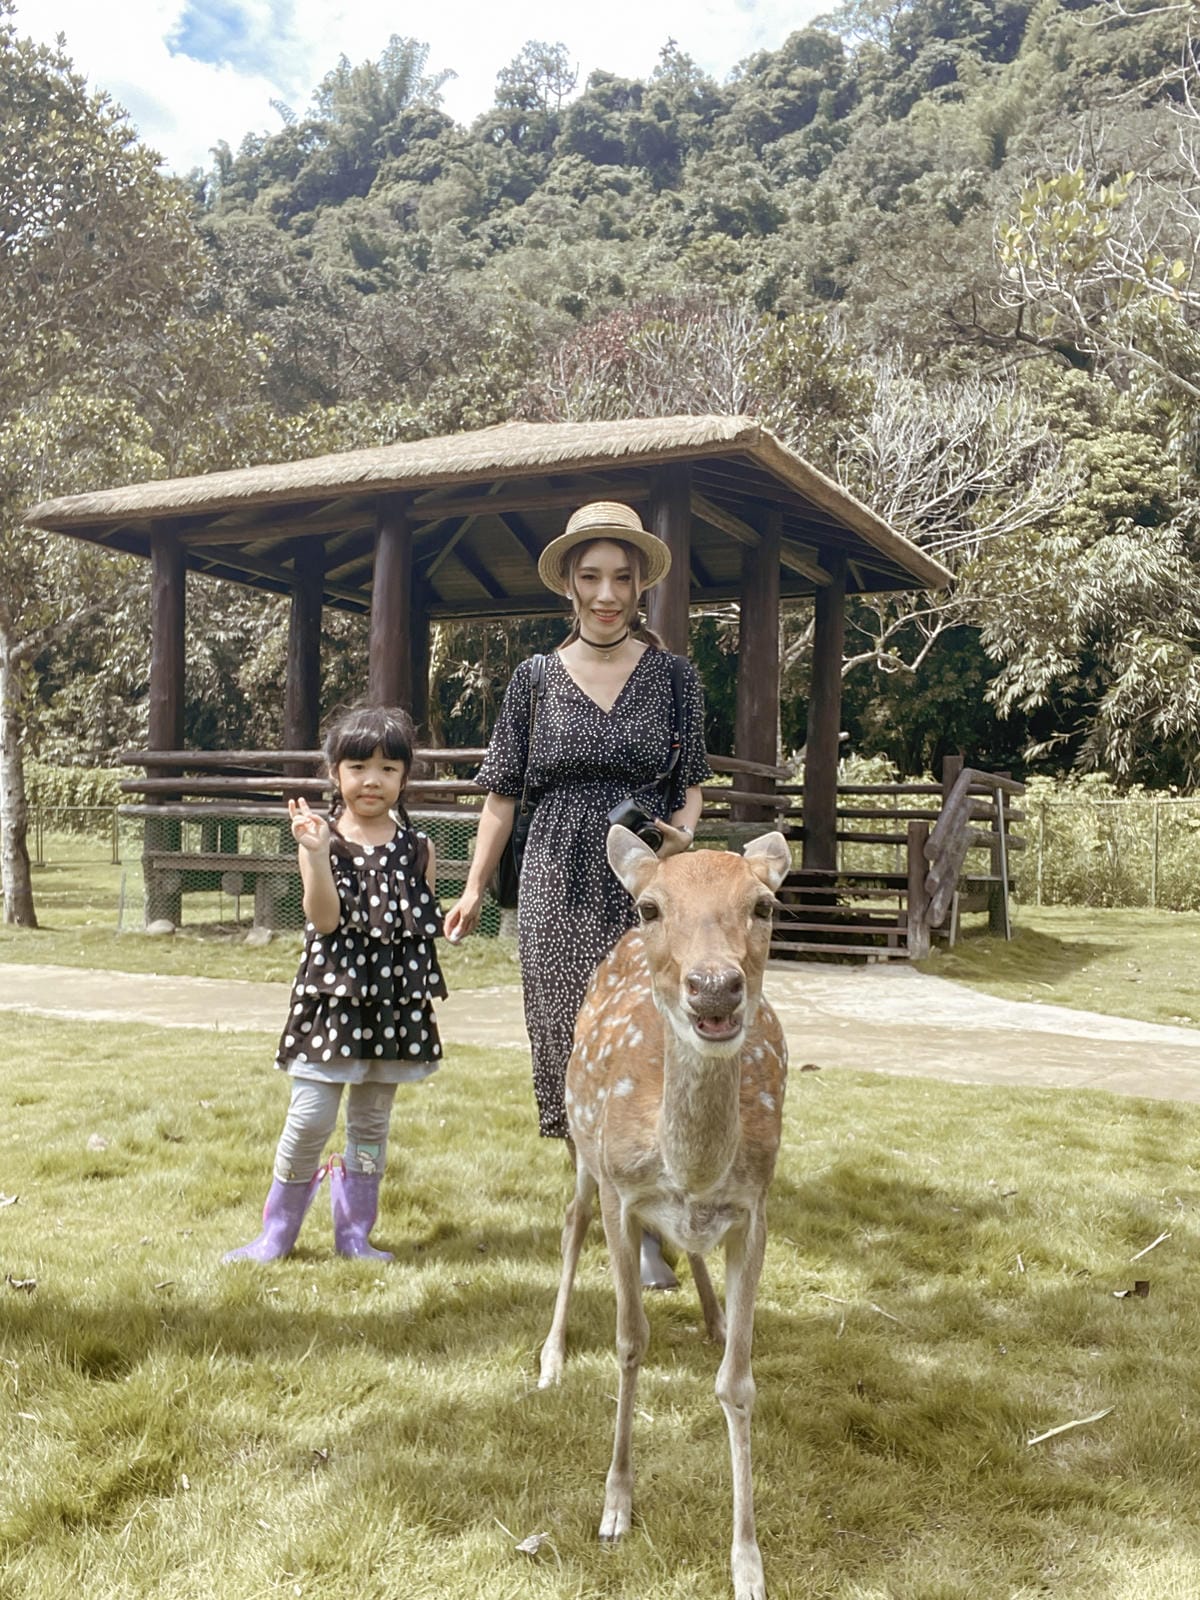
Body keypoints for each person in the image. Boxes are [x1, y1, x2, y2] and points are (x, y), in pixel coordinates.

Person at [444, 501, 710, 1289]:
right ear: (567, 582)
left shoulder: (674, 676)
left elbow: (691, 785)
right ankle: (600, 1196)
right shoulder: (532, 679)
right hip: (555, 872)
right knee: (569, 1042)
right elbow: (500, 796)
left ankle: (653, 1217)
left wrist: (681, 837)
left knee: (656, 1040)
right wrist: (471, 886)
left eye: (621, 579)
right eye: (591, 577)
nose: (606, 594)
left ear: (640, 588)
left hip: (645, 882)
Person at [225, 704, 446, 1263]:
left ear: (404, 777)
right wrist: (317, 854)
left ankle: (354, 1235)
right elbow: (324, 919)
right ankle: (276, 1235)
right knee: (310, 1118)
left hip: (392, 1004)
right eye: (358, 766)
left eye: (388, 768)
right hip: (332, 1001)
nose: (372, 780)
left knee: (371, 1124)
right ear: (334, 773)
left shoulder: (419, 849)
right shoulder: (318, 838)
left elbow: (414, 929)